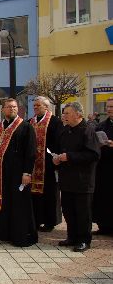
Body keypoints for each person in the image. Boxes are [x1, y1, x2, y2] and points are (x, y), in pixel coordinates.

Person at [0, 98, 37, 247]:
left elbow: (31, 152)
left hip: (17, 174)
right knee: (3, 203)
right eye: (9, 107)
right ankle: (3, 233)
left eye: (14, 107)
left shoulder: (25, 127)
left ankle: (20, 236)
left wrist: (27, 172)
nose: (12, 109)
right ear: (3, 110)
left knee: (18, 204)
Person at [54, 102, 101, 252]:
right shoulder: (65, 131)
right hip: (67, 179)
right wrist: (57, 159)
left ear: (78, 114)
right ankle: (72, 237)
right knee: (68, 210)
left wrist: (69, 156)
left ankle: (84, 240)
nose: (64, 116)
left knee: (83, 213)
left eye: (67, 113)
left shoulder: (88, 131)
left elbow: (93, 155)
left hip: (83, 181)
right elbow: (60, 150)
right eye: (64, 113)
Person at [29, 96, 62, 232]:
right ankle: (35, 220)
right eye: (34, 106)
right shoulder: (30, 122)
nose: (35, 107)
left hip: (48, 165)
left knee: (49, 194)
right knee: (33, 195)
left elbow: (58, 142)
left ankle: (49, 222)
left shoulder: (55, 122)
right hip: (33, 165)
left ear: (46, 107)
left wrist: (53, 159)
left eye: (38, 105)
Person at [94, 98, 113, 235]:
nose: (109, 109)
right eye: (108, 107)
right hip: (103, 167)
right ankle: (104, 226)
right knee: (103, 197)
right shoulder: (101, 126)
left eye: (112, 107)